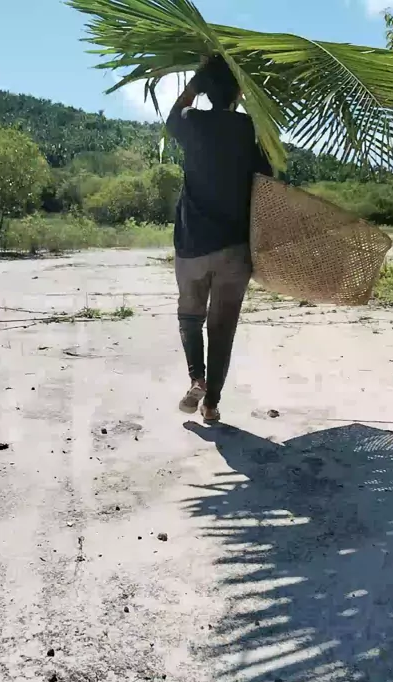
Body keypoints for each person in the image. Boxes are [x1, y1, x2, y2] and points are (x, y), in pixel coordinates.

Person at [166, 55, 273, 423]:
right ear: (239, 94)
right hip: (234, 249)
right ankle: (211, 404)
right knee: (222, 329)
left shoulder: (192, 122)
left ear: (206, 91)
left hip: (192, 244)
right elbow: (267, 175)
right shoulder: (247, 129)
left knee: (190, 316)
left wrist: (199, 78)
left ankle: (196, 378)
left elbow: (174, 115)